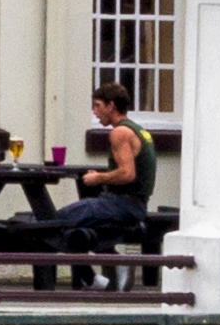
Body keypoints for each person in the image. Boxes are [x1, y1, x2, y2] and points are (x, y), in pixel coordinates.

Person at [50, 86, 154, 259]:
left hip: (124, 205)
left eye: (98, 106)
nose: (95, 111)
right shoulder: (138, 130)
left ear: (110, 106)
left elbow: (127, 174)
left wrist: (99, 177)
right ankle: (104, 272)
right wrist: (104, 175)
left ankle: (97, 275)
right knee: (79, 231)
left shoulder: (119, 132)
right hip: (134, 204)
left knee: (56, 221)